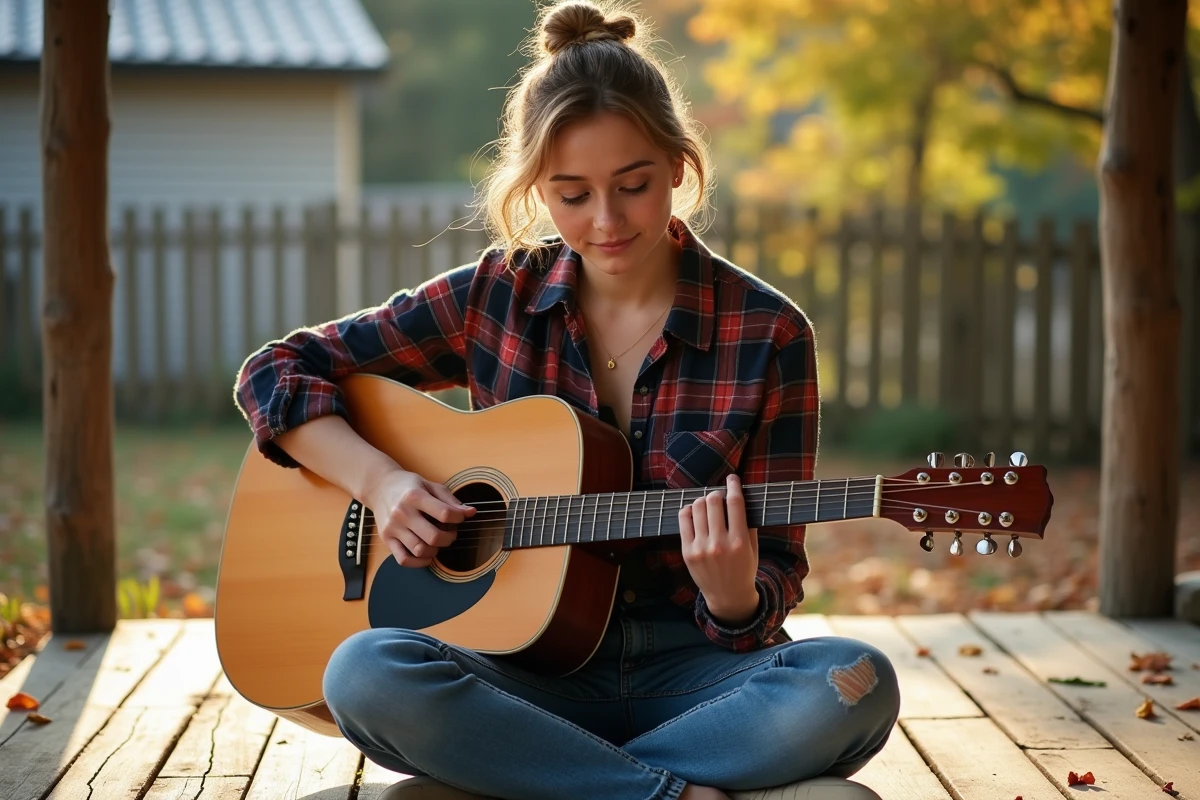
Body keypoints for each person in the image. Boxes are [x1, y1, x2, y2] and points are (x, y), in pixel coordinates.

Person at [234, 2, 900, 798]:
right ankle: (665, 790)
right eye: (573, 194)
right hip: (519, 673)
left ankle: (540, 775)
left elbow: (776, 576)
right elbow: (276, 371)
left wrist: (734, 598)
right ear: (537, 190)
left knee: (854, 681)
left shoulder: (769, 333)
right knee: (363, 672)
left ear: (679, 166)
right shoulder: (495, 295)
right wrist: (381, 483)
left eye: (633, 185)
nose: (606, 220)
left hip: (689, 676)